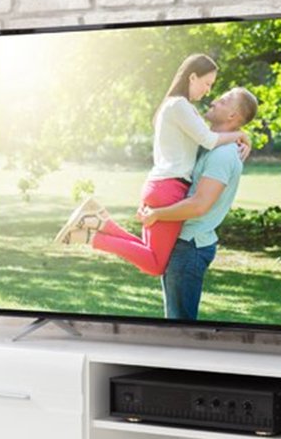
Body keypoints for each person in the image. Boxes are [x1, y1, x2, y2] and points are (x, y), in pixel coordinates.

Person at [53, 53, 250, 276]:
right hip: (170, 187)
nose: (208, 91)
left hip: (161, 185)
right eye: (207, 83)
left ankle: (97, 220)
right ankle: (91, 235)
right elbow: (209, 139)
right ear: (192, 77)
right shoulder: (179, 106)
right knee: (155, 264)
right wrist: (240, 134)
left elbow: (205, 142)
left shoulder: (175, 106)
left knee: (150, 254)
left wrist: (238, 137)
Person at [139, 87, 259, 319]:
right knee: (174, 320)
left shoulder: (223, 155)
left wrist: (157, 214)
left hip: (190, 248)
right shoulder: (209, 145)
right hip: (182, 242)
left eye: (223, 101)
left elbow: (199, 205)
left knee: (180, 326)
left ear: (233, 116)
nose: (214, 101)